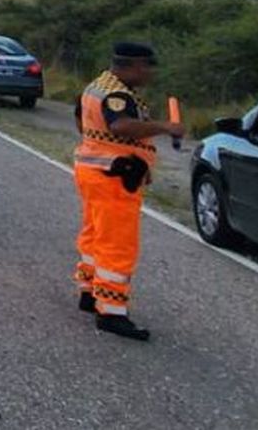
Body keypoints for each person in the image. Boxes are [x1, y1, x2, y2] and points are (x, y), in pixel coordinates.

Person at [72, 42, 183, 341]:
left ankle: (90, 291)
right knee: (118, 243)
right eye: (146, 67)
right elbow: (121, 126)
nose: (149, 73)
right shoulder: (116, 94)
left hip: (93, 169)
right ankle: (111, 312)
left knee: (95, 234)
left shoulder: (97, 86)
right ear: (132, 66)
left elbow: (80, 120)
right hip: (114, 175)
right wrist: (165, 127)